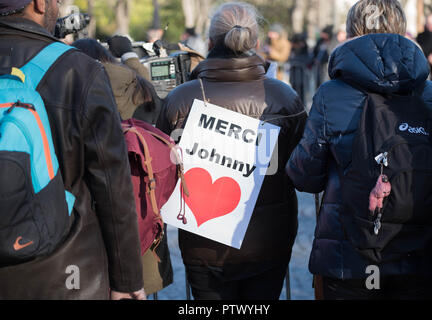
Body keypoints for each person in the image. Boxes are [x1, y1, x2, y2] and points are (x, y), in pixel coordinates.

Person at [286, 0, 432, 300]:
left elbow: (305, 176)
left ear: (352, 32)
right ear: (401, 29)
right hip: (419, 251)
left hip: (349, 255)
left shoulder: (331, 94)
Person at [157, 1, 307, 300]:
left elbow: (162, 168)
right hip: (269, 242)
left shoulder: (180, 100)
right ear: (256, 43)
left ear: (210, 43)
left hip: (203, 245)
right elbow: (302, 167)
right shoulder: (283, 98)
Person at [0, 0, 145, 299]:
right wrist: (127, 282)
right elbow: (112, 185)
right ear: (39, 3)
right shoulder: (79, 69)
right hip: (67, 272)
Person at [72, 37, 173, 296]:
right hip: (144, 217)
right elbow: (156, 95)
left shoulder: (74, 89)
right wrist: (129, 55)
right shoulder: (141, 89)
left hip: (91, 227)